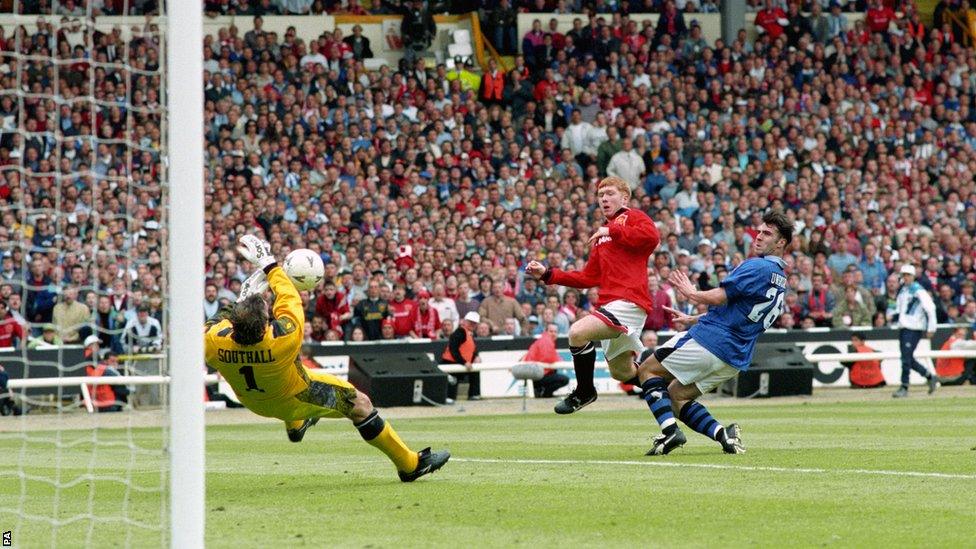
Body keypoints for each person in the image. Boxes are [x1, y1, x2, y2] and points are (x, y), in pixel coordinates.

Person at [205, 236, 449, 482]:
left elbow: (213, 323)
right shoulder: (284, 338)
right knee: (360, 405)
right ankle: (410, 465)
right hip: (296, 395)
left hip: (255, 402)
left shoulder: (214, 342)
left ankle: (297, 424)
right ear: (265, 326)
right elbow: (289, 297)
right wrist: (269, 264)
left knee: (288, 372)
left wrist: (238, 302)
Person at [636, 211, 793, 456]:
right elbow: (739, 312)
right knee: (677, 396)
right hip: (735, 357)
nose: (759, 237)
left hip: (710, 342)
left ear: (781, 242)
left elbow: (720, 297)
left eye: (767, 234)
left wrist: (691, 293)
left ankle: (669, 432)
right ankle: (725, 435)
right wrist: (693, 317)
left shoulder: (757, 266)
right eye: (759, 231)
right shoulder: (781, 279)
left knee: (647, 369)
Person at [526, 176, 660, 414]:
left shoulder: (633, 217)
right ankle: (666, 390)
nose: (604, 199)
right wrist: (547, 274)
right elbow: (588, 278)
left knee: (577, 332)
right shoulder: (601, 236)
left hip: (629, 302)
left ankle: (585, 391)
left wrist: (612, 229)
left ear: (625, 197)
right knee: (623, 372)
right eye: (600, 195)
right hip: (610, 305)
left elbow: (651, 238)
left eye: (609, 193)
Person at [892, 264, 940, 398]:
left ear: (913, 276)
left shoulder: (918, 290)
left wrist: (931, 327)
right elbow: (901, 309)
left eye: (908, 275)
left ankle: (904, 386)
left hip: (914, 328)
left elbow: (930, 308)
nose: (905, 278)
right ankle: (929, 376)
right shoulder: (904, 290)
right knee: (907, 358)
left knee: (906, 358)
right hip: (905, 326)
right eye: (904, 275)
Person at [440, 311, 482, 402]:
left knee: (475, 371)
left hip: (460, 363)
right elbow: (453, 350)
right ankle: (449, 398)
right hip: (451, 364)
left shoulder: (469, 334)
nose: (473, 325)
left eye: (474, 323)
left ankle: (474, 394)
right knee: (451, 385)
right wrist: (464, 362)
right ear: (465, 322)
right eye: (471, 322)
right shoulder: (460, 332)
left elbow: (471, 348)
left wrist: (476, 356)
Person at [521, 322, 570, 398]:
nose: (553, 334)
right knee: (564, 379)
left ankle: (541, 391)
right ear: (546, 331)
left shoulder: (543, 340)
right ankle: (544, 393)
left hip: (534, 374)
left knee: (555, 373)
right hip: (536, 375)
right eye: (551, 331)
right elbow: (548, 358)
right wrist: (558, 360)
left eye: (555, 332)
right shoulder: (546, 341)